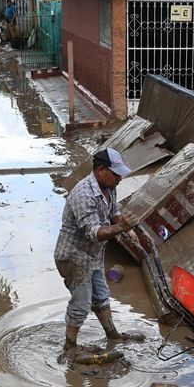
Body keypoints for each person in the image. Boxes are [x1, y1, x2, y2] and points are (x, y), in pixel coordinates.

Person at [54, 148, 140, 351]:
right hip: (74, 257)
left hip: (93, 255)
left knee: (101, 295)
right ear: (101, 170)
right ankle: (69, 346)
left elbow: (114, 212)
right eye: (116, 174)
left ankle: (112, 335)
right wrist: (120, 228)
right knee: (82, 303)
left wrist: (129, 231)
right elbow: (93, 232)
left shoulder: (109, 187)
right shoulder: (83, 194)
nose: (119, 178)